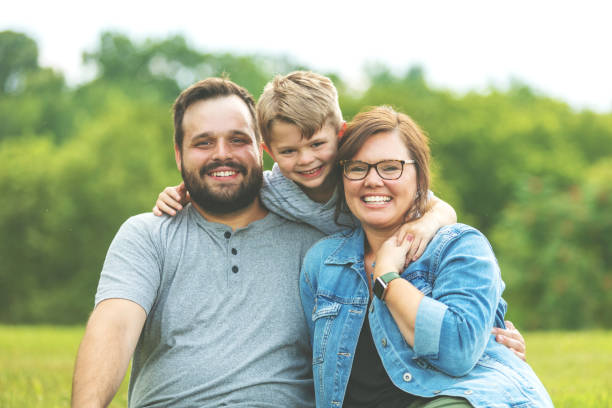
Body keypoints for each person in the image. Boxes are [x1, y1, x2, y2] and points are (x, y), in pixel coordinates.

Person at [154, 71, 527, 358]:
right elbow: (225, 190)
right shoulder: (271, 190)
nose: (307, 160)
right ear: (267, 150)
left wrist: (418, 228)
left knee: (458, 297)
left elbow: (441, 208)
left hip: (412, 272)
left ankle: (494, 340)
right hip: (348, 285)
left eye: (318, 144)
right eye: (289, 151)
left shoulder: (363, 178)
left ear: (341, 133)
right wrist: (181, 193)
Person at [71, 78, 325, 407]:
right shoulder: (148, 235)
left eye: (237, 140)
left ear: (262, 148)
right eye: (203, 143)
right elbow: (115, 327)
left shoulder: (313, 239)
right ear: (179, 155)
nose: (222, 154)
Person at [299, 106, 552, 407]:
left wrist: (388, 277)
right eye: (357, 167)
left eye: (391, 167)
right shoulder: (323, 262)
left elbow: (456, 352)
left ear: (419, 177)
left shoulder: (461, 247)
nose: (372, 180)